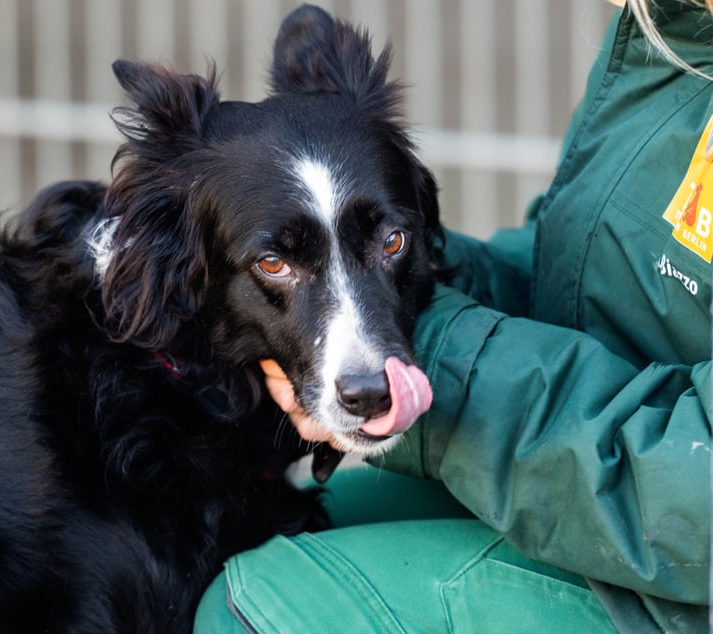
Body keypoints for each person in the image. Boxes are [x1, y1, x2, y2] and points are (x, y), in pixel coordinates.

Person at [194, 0, 712, 631]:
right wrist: (374, 273)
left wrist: (430, 352)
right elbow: (582, 268)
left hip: (680, 583)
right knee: (238, 528)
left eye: (388, 242)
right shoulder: (673, 30)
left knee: (252, 607)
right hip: (600, 492)